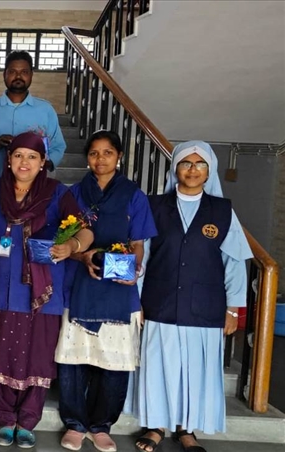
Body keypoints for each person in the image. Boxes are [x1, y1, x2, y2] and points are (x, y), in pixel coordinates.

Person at [129, 141, 252, 452]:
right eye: (186, 163)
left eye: (200, 164)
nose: (193, 170)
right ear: (175, 169)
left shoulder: (222, 211)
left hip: (205, 306)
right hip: (160, 300)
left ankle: (187, 429)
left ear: (209, 172)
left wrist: (234, 309)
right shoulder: (154, 206)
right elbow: (142, 256)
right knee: (158, 366)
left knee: (195, 371)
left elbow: (234, 262)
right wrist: (135, 300)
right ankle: (156, 426)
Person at [0, 132, 94, 448]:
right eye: (18, 155)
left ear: (43, 162)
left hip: (42, 290)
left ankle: (28, 419)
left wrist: (71, 245)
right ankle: (4, 417)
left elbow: (85, 231)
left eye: (32, 157)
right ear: (9, 159)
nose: (24, 162)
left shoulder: (56, 193)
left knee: (37, 354)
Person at [54, 130, 157, 452]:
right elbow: (64, 242)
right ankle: (74, 424)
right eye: (94, 153)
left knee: (114, 362)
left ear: (119, 156)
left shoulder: (133, 195)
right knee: (73, 361)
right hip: (78, 284)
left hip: (118, 290)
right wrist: (83, 256)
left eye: (108, 152)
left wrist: (134, 270)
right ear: (87, 157)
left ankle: (101, 426)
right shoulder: (73, 193)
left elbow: (138, 243)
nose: (100, 159)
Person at [0, 51, 65, 179]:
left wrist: (38, 165)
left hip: (35, 185)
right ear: (4, 74)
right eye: (12, 72)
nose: (18, 76)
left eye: (24, 72)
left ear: (31, 75)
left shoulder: (46, 110)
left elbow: (58, 147)